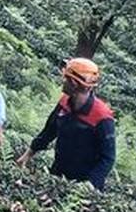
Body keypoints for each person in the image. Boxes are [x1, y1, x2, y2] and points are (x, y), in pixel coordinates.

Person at [16, 58, 116, 191]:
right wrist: (28, 155)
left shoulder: (102, 116)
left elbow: (108, 158)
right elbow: (48, 132)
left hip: (83, 187)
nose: (63, 81)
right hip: (57, 175)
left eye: (66, 78)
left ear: (74, 83)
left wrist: (90, 185)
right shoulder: (64, 103)